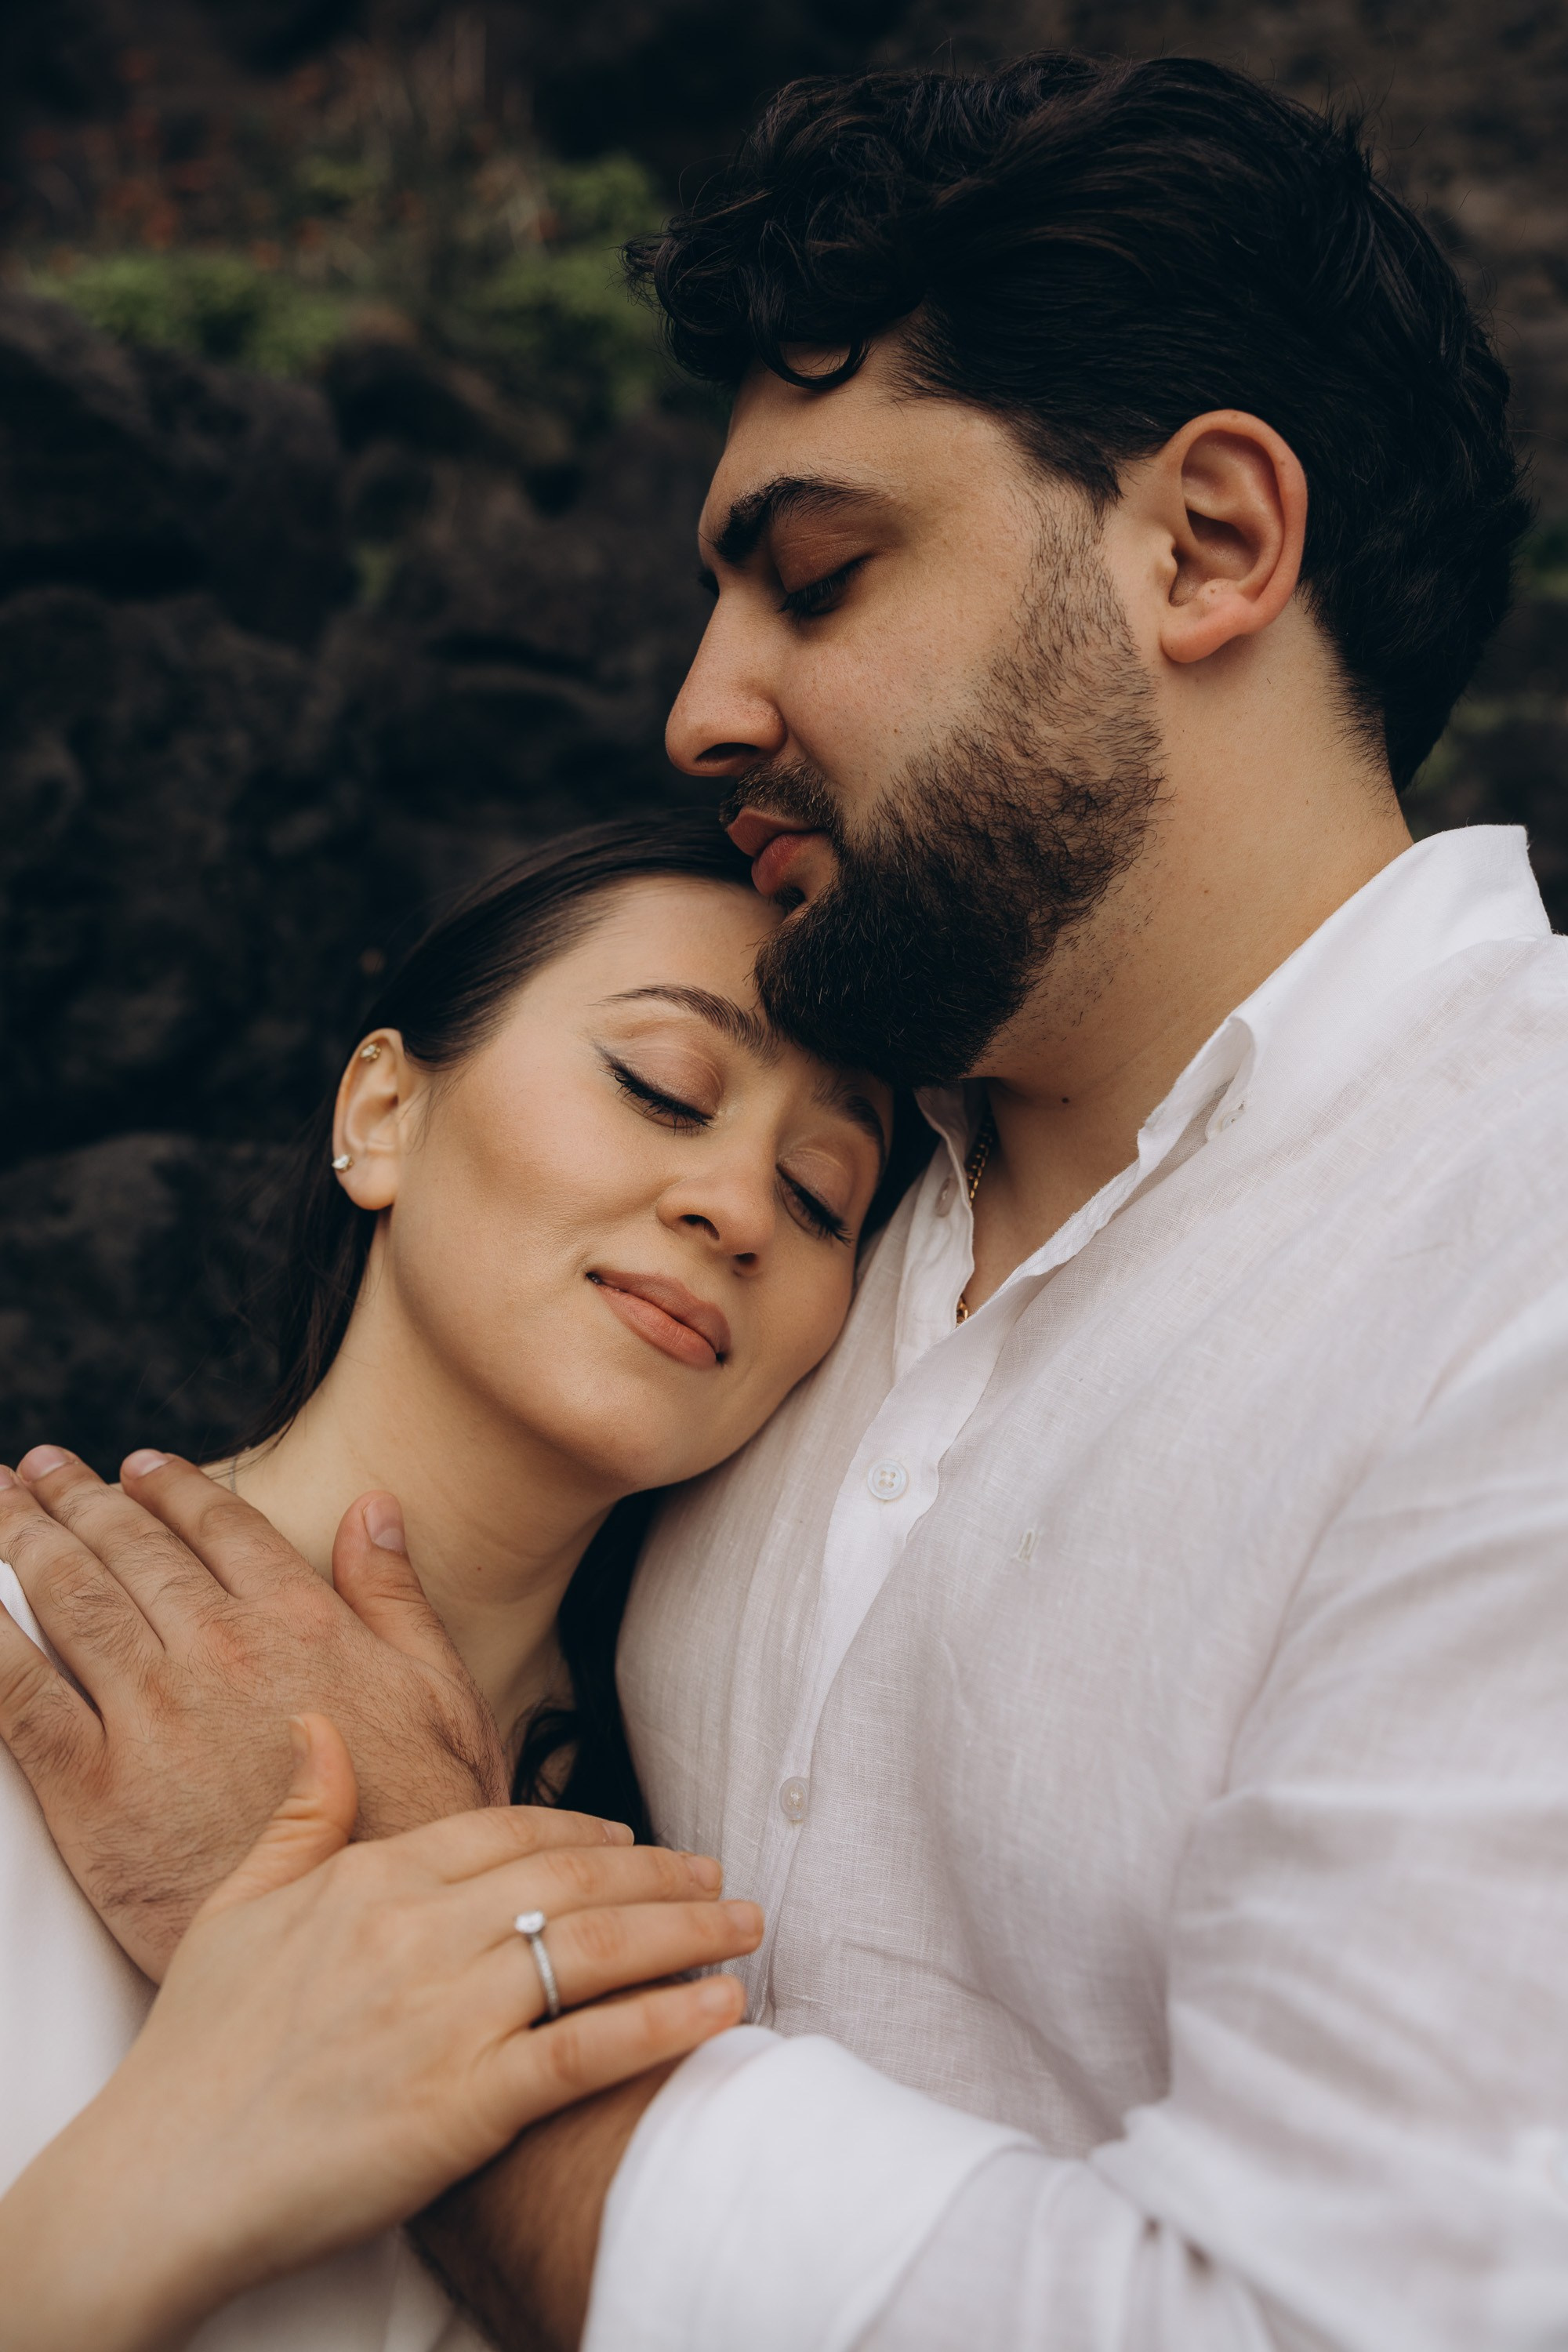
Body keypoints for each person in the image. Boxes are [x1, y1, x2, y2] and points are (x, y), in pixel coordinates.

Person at [3, 45, 1568, 2352]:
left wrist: (376, 1904)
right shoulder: (804, 1296)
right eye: (659, 1089)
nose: (699, 709)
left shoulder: (1505, 1241)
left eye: (820, 576)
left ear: (1211, 542)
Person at [0, 811, 896, 2346]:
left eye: (822, 1196)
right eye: (662, 1086)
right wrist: (175, 2163)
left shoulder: (715, 1898)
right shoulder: (34, 1639)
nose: (737, 1209)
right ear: (381, 1114)